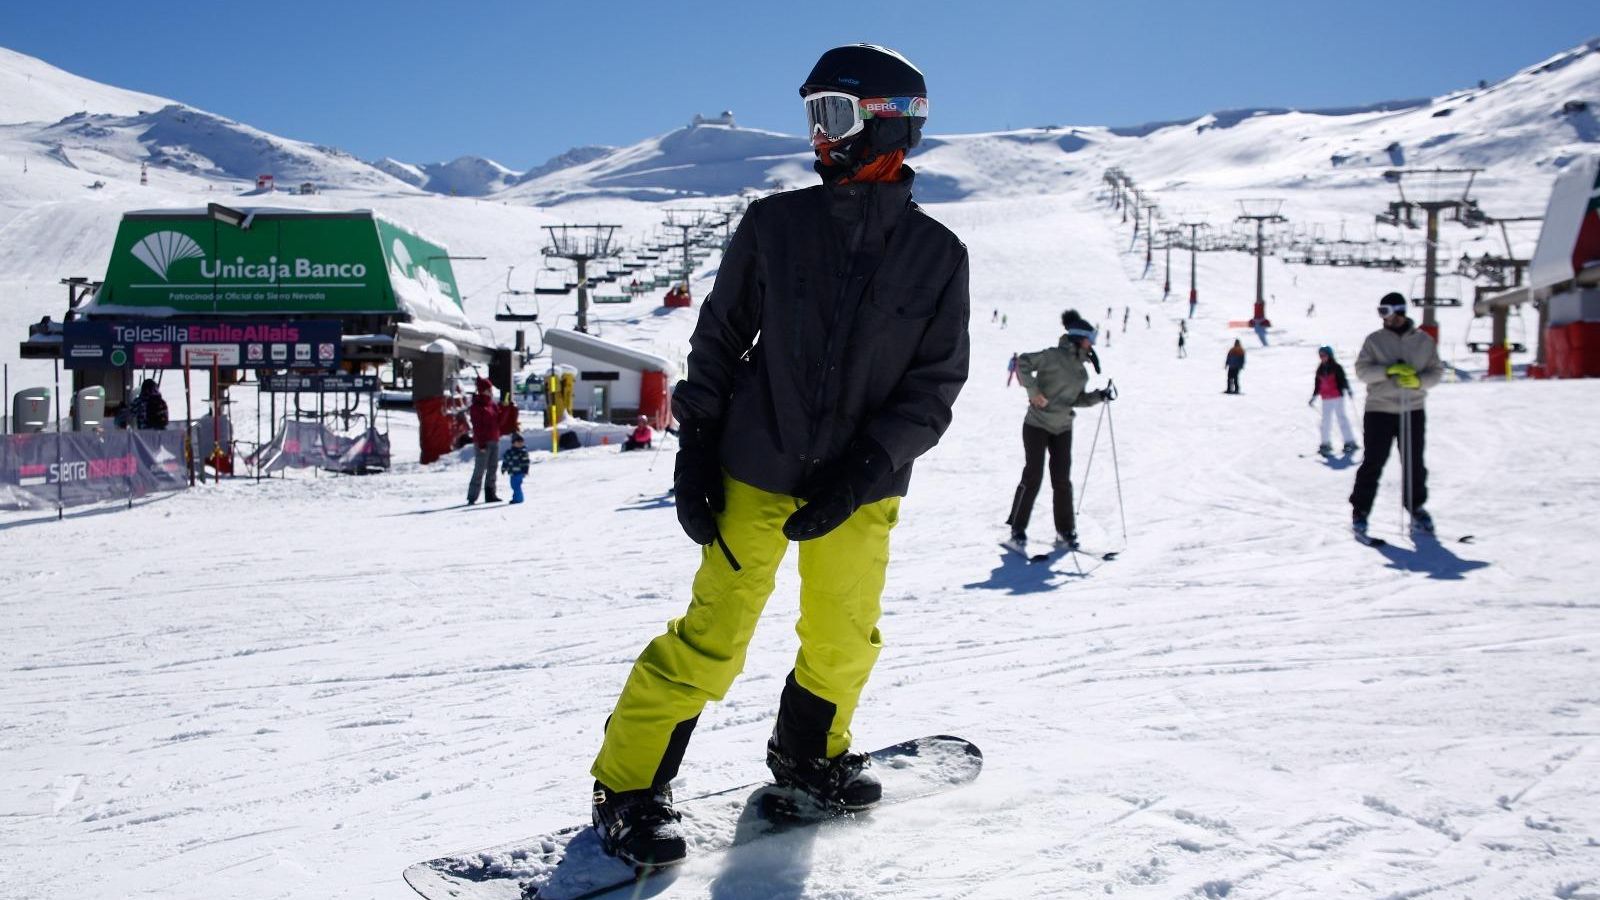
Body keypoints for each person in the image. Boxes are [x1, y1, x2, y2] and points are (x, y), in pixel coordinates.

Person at [588, 42, 969, 869]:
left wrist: (865, 469)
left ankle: (809, 755)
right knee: (712, 636)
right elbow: (719, 341)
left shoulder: (939, 257)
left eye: (834, 115)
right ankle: (628, 791)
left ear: (890, 123)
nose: (820, 138)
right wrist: (696, 454)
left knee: (843, 637)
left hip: (859, 487)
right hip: (753, 466)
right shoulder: (776, 225)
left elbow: (933, 386)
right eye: (813, 117)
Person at [1005, 310, 1110, 551]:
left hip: (1062, 427)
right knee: (1033, 476)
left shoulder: (1082, 371)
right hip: (1036, 425)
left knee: (1062, 480)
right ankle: (1017, 529)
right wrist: (1034, 393)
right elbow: (1022, 362)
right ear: (1078, 338)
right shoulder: (1052, 356)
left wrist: (1099, 396)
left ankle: (1065, 531)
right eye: (1089, 338)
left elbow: (1077, 399)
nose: (1092, 343)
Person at [1350, 293, 1441, 537]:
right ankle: (1360, 510)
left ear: (1399, 311)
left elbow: (1436, 372)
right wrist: (1387, 371)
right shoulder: (1375, 340)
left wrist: (1418, 381)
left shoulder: (1423, 341)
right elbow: (1362, 371)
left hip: (1412, 409)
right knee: (1373, 461)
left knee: (1414, 463)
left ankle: (1416, 506)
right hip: (1380, 409)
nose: (1384, 318)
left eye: (1386, 312)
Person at [1308, 345, 1358, 456]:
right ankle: (1325, 443)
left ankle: (1350, 442)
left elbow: (1343, 380)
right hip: (1326, 398)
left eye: (1324, 355)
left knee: (1341, 418)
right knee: (1325, 421)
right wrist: (1314, 397)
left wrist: (1348, 389)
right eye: (1320, 355)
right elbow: (1318, 385)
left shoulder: (1336, 367)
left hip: (1337, 397)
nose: (1322, 357)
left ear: (1329, 355)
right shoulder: (1320, 369)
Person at [466, 377, 502, 504]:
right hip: (483, 441)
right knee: (480, 469)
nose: (490, 391)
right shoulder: (477, 406)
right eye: (488, 389)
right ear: (482, 390)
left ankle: (490, 493)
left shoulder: (492, 404)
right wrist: (481, 443)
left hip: (494, 439)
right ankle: (472, 496)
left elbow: (499, 420)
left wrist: (509, 409)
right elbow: (477, 426)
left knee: (493, 468)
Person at [501, 432, 530, 503]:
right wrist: (503, 468)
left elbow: (526, 462)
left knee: (516, 486)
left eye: (521, 442)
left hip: (519, 472)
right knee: (513, 485)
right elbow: (505, 461)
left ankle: (518, 499)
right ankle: (516, 497)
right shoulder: (509, 452)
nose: (520, 443)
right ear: (513, 443)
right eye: (518, 442)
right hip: (512, 472)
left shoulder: (523, 452)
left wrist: (525, 470)